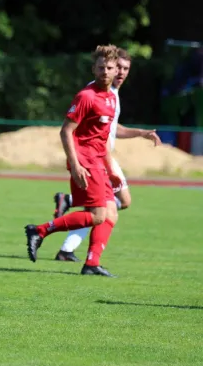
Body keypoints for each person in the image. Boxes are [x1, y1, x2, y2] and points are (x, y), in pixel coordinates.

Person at [52, 49, 162, 262]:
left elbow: (113, 129)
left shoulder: (113, 95)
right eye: (116, 67)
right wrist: (78, 162)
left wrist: (141, 133)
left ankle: (67, 245)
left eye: (125, 68)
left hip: (103, 155)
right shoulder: (94, 92)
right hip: (96, 157)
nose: (120, 72)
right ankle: (75, 251)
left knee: (106, 207)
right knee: (105, 208)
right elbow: (71, 129)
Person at [24, 44, 122, 277]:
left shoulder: (111, 98)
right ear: (93, 69)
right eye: (101, 67)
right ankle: (39, 230)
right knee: (98, 215)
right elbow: (66, 131)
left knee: (111, 213)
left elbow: (103, 138)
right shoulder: (86, 96)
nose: (105, 72)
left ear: (116, 69)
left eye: (109, 67)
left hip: (99, 161)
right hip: (86, 160)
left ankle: (91, 263)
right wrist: (76, 164)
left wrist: (112, 168)